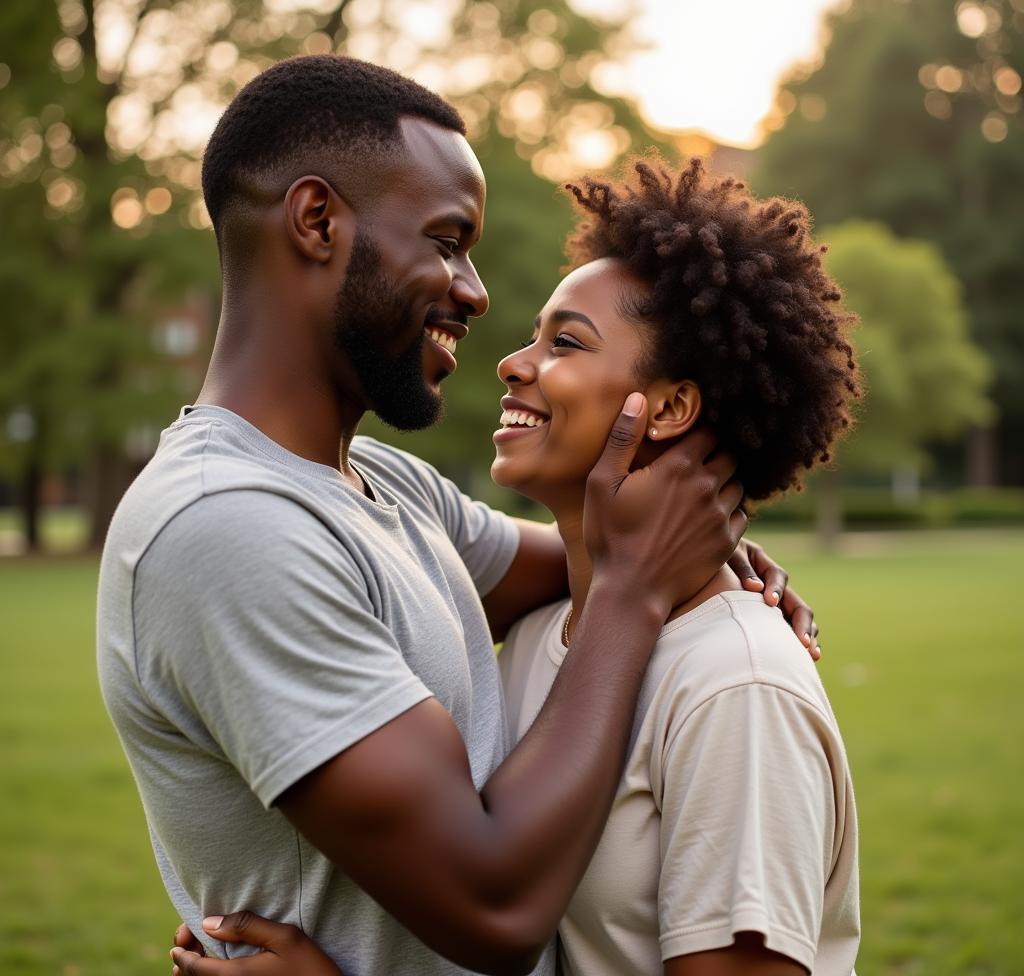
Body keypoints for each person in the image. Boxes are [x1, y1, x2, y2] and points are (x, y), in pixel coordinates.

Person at [96, 54, 813, 976]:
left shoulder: (384, 487)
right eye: (445, 240)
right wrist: (635, 590)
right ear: (317, 221)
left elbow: (594, 552)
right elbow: (495, 903)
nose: (473, 291)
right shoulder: (224, 526)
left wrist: (721, 557)